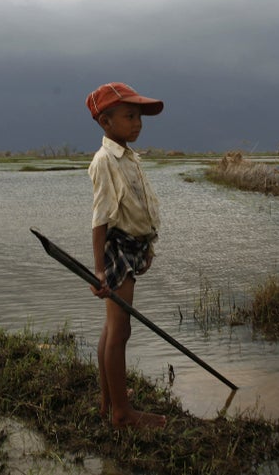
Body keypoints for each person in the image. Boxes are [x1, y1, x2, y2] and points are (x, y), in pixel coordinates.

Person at [85, 82, 167, 429]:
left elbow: (140, 207)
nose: (138, 123)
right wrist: (100, 272)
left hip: (131, 247)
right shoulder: (105, 160)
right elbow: (101, 218)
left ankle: (108, 402)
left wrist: (148, 247)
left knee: (113, 329)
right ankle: (122, 413)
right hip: (116, 248)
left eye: (139, 117)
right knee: (120, 332)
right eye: (130, 116)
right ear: (106, 122)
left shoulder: (129, 156)